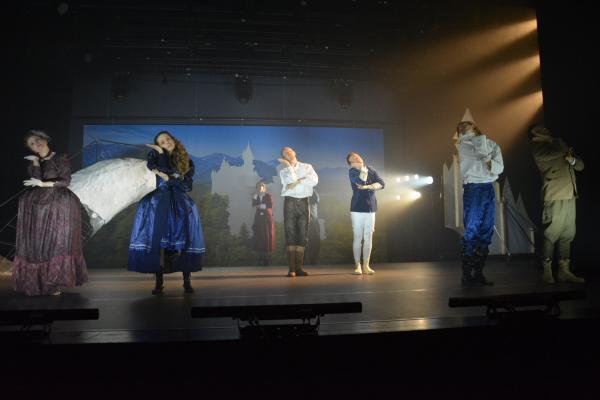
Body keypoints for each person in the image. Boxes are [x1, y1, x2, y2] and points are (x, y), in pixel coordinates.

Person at [128, 131, 205, 294]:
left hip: (179, 203)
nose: (166, 142)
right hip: (158, 203)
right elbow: (159, 169)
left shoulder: (186, 161)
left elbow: (186, 185)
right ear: (158, 146)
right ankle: (159, 282)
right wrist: (162, 156)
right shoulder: (155, 157)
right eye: (162, 142)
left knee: (184, 241)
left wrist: (169, 178)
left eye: (168, 139)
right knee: (158, 243)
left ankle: (187, 281)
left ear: (174, 140)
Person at [12, 130, 88, 296]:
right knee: (39, 244)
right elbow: (36, 180)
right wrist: (36, 163)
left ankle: (53, 282)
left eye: (37, 140)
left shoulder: (61, 157)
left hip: (59, 204)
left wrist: (43, 183)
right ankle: (38, 281)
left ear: (45, 139)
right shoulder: (34, 162)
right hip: (39, 206)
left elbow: (65, 181)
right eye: (32, 144)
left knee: (56, 243)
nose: (36, 144)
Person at [529, 124, 584, 284]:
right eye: (539, 130)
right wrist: (554, 140)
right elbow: (559, 150)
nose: (544, 130)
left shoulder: (556, 145)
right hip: (554, 195)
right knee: (551, 233)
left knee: (567, 234)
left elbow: (580, 166)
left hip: (569, 195)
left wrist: (572, 160)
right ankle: (547, 272)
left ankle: (564, 271)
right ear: (534, 136)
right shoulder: (538, 148)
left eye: (544, 128)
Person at [457, 120, 503, 286]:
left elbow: (499, 168)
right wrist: (488, 158)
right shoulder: (463, 144)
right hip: (473, 188)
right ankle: (467, 274)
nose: (463, 126)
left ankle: (478, 273)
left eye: (467, 124)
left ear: (475, 126)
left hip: (488, 188)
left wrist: (488, 159)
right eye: (460, 126)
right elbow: (479, 151)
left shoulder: (491, 144)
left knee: (486, 230)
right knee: (472, 230)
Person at [278, 146, 318, 277]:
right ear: (284, 158)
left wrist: (297, 182)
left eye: (289, 151)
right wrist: (289, 167)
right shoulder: (283, 170)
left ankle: (299, 268)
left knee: (302, 234)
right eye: (285, 153)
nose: (288, 153)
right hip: (290, 202)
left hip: (304, 202)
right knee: (290, 233)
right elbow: (289, 181)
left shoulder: (307, 167)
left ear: (294, 152)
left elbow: (314, 181)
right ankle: (292, 269)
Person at [347, 152, 385, 275]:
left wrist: (370, 186)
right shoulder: (352, 171)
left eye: (357, 156)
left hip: (371, 208)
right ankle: (357, 265)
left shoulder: (371, 169)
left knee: (368, 237)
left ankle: (366, 265)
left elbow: (382, 183)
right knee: (358, 237)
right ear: (350, 163)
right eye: (353, 158)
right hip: (357, 208)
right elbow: (360, 182)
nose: (356, 157)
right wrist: (367, 183)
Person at [251, 181, 276, 266]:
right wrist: (260, 204)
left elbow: (270, 205)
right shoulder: (256, 196)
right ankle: (260, 258)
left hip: (267, 219)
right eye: (258, 186)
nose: (259, 188)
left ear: (264, 187)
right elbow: (254, 205)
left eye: (261, 186)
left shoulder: (268, 195)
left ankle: (266, 258)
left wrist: (260, 206)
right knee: (259, 237)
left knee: (267, 237)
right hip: (258, 219)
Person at [305, 189, 321, 265]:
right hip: (304, 221)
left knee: (315, 241)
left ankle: (314, 259)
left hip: (313, 221)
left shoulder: (313, 192)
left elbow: (317, 199)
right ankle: (303, 260)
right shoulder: (301, 192)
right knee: (304, 241)